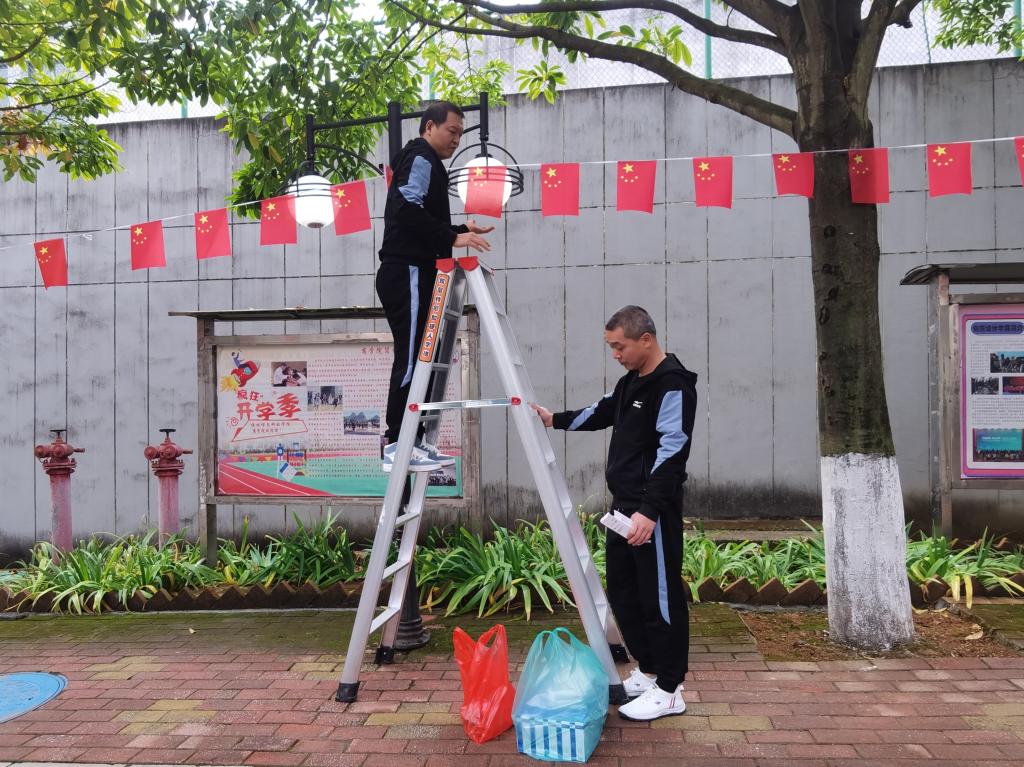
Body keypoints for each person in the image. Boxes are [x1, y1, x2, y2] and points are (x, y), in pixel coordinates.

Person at [531, 305, 697, 722]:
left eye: (619, 346)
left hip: (649, 514)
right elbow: (601, 411)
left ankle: (671, 688)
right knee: (624, 592)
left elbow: (673, 449)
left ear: (646, 339)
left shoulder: (672, 384)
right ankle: (650, 669)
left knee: (659, 598)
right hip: (623, 508)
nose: (616, 354)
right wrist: (555, 420)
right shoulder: (630, 384)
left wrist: (650, 511)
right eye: (611, 347)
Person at [377, 100, 493, 473]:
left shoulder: (426, 162)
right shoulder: (422, 158)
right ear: (429, 127)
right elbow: (405, 210)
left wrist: (458, 230)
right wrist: (451, 236)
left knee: (422, 357)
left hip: (417, 269)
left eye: (461, 133)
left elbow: (419, 214)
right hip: (406, 270)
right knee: (412, 357)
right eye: (451, 131)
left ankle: (412, 442)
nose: (456, 140)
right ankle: (396, 443)